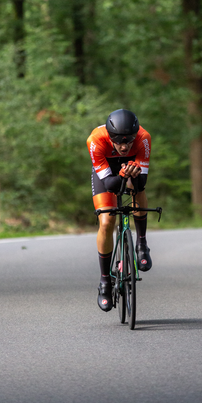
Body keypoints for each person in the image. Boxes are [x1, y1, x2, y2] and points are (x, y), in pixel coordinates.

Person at [87, 109, 152, 312]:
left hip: (131, 168)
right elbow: (109, 184)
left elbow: (142, 181)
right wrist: (122, 174)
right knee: (106, 222)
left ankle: (141, 244)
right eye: (118, 141)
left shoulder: (143, 139)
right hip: (107, 173)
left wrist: (130, 174)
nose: (124, 146)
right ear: (109, 136)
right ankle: (105, 281)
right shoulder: (95, 140)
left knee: (138, 190)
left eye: (129, 141)